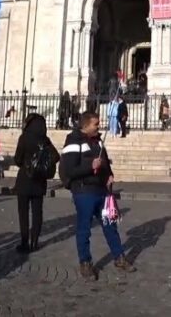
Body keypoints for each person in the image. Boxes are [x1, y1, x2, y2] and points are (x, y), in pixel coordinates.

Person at [61, 111, 135, 280]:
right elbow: (69, 169)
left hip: (101, 190)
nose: (99, 126)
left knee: (110, 226)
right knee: (84, 229)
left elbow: (105, 161)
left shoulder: (99, 141)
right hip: (83, 191)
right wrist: (90, 166)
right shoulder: (73, 141)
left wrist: (109, 174)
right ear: (86, 125)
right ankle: (85, 263)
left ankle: (119, 257)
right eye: (96, 124)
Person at [13, 114, 56, 253]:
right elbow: (55, 156)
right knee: (37, 212)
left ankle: (24, 242)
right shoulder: (45, 140)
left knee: (23, 212)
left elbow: (17, 159)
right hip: (40, 180)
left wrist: (27, 164)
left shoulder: (24, 137)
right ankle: (34, 242)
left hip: (25, 178)